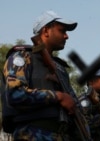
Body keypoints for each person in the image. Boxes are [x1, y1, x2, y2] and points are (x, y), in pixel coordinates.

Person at [1, 10, 87, 140]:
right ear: (46, 31)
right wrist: (58, 96)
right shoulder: (21, 57)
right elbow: (15, 94)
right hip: (32, 134)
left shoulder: (60, 69)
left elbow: (75, 106)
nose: (66, 36)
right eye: (62, 30)